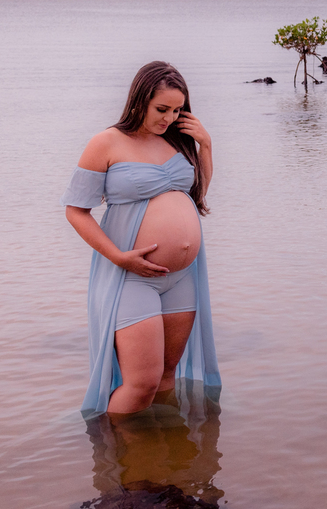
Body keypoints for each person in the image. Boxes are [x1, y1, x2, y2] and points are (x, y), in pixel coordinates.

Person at [64, 61, 220, 416]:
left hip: (181, 277)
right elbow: (76, 211)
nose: (169, 118)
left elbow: (197, 197)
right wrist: (119, 257)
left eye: (177, 110)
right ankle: (115, 458)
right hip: (133, 276)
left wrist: (206, 147)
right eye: (161, 109)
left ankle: (157, 455)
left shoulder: (176, 142)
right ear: (139, 100)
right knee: (141, 384)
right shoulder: (106, 142)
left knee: (167, 375)